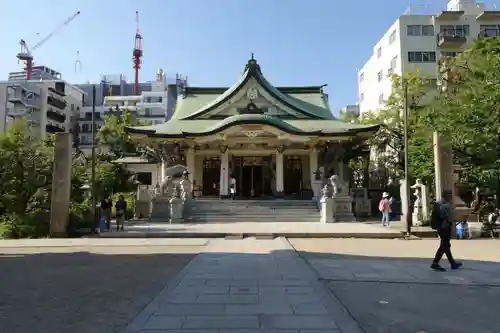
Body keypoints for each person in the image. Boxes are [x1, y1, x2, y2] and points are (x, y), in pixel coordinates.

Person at [431, 190, 462, 271]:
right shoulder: (446, 205)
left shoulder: (440, 203)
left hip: (440, 227)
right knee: (444, 246)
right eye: (450, 195)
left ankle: (452, 263)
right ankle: (435, 263)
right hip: (445, 227)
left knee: (446, 246)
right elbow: (449, 216)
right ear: (447, 196)